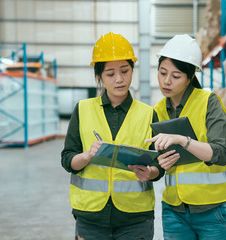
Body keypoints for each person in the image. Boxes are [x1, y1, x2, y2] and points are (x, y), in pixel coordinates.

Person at [61, 32, 164, 240]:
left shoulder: (148, 114)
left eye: (125, 71)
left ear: (132, 70)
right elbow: (67, 159)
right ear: (99, 76)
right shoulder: (82, 110)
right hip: (91, 218)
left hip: (135, 219)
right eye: (110, 74)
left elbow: (159, 165)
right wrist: (87, 156)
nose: (119, 79)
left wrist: (150, 172)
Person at [145, 34, 226, 240]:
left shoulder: (210, 103)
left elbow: (221, 153)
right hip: (174, 211)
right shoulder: (158, 110)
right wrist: (156, 165)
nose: (166, 81)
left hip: (214, 210)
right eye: (162, 73)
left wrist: (183, 141)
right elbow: (161, 165)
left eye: (176, 76)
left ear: (190, 78)